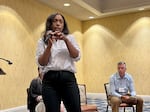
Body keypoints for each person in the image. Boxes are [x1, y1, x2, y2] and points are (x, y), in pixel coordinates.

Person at [36, 13, 81, 112]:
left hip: (68, 79)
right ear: (50, 24)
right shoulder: (42, 41)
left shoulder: (70, 38)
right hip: (50, 80)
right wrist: (49, 45)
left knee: (75, 109)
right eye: (55, 21)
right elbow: (42, 63)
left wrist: (65, 40)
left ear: (64, 25)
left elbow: (76, 56)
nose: (58, 24)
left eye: (61, 21)